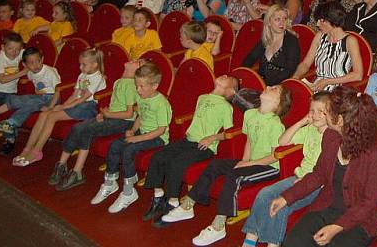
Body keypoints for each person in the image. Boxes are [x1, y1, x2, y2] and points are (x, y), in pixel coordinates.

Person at [162, 84, 291, 246]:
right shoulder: (250, 114)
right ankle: (189, 204)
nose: (268, 86)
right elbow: (250, 140)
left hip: (269, 167)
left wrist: (248, 164)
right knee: (215, 165)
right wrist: (244, 160)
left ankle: (218, 225)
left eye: (274, 89)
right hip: (251, 161)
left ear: (277, 104)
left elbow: (273, 156)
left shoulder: (276, 125)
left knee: (234, 176)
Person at [277, 88, 377, 247]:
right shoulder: (330, 136)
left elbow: (369, 203)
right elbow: (318, 175)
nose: (324, 115)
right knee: (294, 241)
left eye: (327, 111)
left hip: (361, 219)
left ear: (340, 120)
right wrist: (286, 197)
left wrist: (337, 227)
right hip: (328, 208)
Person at [142, 74, 238, 225]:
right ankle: (158, 196)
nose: (225, 75)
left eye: (228, 79)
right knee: (158, 157)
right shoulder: (202, 97)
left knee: (177, 163)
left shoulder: (226, 107)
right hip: (188, 140)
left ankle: (173, 202)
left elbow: (229, 132)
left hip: (204, 146)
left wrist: (211, 138)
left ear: (231, 91)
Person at [242, 92, 332, 247]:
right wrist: (303, 121)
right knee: (263, 194)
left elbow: (327, 171)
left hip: (315, 185)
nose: (315, 115)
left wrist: (306, 180)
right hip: (297, 177)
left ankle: (273, 244)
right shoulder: (310, 129)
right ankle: (250, 241)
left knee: (281, 206)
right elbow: (282, 141)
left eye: (321, 112)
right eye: (312, 111)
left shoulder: (332, 136)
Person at [91, 63, 172, 214]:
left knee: (129, 150)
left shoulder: (161, 104)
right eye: (137, 85)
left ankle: (129, 192)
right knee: (115, 145)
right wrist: (132, 130)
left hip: (157, 138)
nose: (138, 90)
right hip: (142, 131)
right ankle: (110, 182)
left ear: (154, 86)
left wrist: (137, 139)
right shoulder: (142, 97)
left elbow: (161, 131)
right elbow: (140, 116)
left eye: (141, 86)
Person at [50, 59, 142, 191]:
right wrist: (104, 114)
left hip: (124, 122)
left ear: (137, 71)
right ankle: (61, 164)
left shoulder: (131, 85)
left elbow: (128, 114)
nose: (133, 59)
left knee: (87, 129)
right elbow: (115, 105)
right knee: (77, 127)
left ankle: (77, 172)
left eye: (137, 62)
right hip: (111, 117)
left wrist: (108, 115)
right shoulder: (119, 81)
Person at [14, 49, 106, 167]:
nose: (80, 67)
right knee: (44, 114)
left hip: (88, 107)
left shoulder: (97, 77)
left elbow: (83, 99)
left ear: (95, 64)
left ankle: (37, 151)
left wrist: (63, 107)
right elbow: (74, 95)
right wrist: (61, 106)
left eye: (84, 64)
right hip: (77, 105)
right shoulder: (82, 75)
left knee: (52, 116)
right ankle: (27, 149)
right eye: (80, 64)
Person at [296, 1, 365, 92]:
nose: (317, 24)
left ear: (332, 20)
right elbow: (305, 64)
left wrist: (327, 82)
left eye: (321, 20)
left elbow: (358, 75)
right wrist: (295, 77)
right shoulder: (320, 36)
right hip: (317, 85)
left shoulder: (350, 41)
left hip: (337, 89)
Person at [243, 5, 301, 86]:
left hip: (279, 86)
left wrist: (266, 85)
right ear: (269, 22)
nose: (282, 23)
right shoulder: (266, 38)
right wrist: (244, 73)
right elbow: (251, 57)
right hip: (261, 83)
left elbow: (290, 70)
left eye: (284, 19)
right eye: (277, 19)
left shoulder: (291, 41)